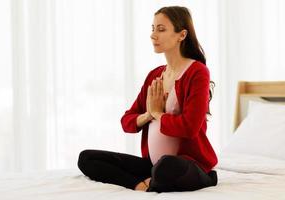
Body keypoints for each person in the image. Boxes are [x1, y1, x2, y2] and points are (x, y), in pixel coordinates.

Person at [77, 6, 218, 193]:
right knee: (87, 158)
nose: (153, 35)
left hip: (188, 165)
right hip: (153, 164)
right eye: (152, 29)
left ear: (181, 35)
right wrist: (149, 114)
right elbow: (127, 121)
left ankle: (153, 181)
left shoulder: (197, 72)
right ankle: (140, 185)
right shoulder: (155, 75)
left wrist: (159, 113)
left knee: (167, 166)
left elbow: (190, 128)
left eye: (161, 29)